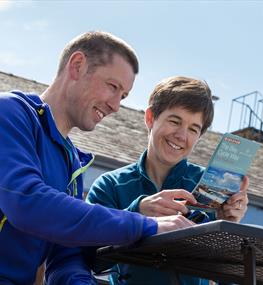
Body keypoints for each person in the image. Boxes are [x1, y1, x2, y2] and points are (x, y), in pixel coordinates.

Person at [0, 31, 194, 285]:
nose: (115, 105)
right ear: (77, 66)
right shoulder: (10, 113)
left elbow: (65, 258)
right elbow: (27, 202)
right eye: (113, 87)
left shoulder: (72, 164)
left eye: (123, 96)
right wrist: (146, 225)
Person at [87, 76, 249, 285]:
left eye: (193, 129)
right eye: (175, 121)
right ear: (150, 118)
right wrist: (137, 212)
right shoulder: (109, 185)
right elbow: (89, 257)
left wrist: (228, 228)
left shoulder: (212, 190)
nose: (181, 135)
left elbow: (228, 278)